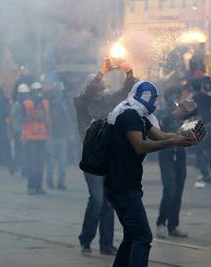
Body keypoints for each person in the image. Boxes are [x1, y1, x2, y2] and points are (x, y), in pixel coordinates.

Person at [105, 81, 198, 267]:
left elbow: (161, 135)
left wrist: (180, 136)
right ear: (145, 96)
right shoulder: (129, 114)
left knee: (132, 235)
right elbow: (140, 146)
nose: (155, 103)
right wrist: (174, 142)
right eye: (153, 98)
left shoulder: (138, 114)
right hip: (122, 185)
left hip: (124, 183)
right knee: (143, 237)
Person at [74, 59, 136, 256]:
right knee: (97, 199)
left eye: (101, 84)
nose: (100, 88)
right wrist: (102, 71)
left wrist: (128, 70)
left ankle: (106, 244)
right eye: (97, 85)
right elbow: (87, 94)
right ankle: (86, 240)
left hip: (109, 156)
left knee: (108, 201)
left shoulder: (109, 102)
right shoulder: (81, 103)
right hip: (91, 156)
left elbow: (129, 89)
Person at [156, 87, 196, 239]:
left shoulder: (184, 113)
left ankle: (173, 225)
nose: (175, 99)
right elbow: (162, 125)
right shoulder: (162, 113)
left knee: (178, 191)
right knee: (169, 190)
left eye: (176, 96)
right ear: (167, 98)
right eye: (172, 96)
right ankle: (161, 223)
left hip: (180, 155)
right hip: (166, 154)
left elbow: (191, 130)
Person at [21, 82, 50, 195]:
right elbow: (21, 119)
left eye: (40, 90)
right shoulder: (26, 104)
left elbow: (48, 119)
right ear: (32, 92)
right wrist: (32, 117)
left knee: (40, 164)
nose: (38, 93)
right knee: (32, 164)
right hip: (30, 138)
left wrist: (48, 130)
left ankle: (38, 186)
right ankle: (31, 186)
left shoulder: (45, 103)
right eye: (36, 91)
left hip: (42, 136)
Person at [43, 79, 71, 190]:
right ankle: (52, 181)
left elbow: (68, 119)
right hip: (53, 135)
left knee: (59, 161)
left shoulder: (62, 104)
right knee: (55, 160)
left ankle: (57, 182)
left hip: (59, 136)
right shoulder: (48, 103)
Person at [191, 78, 211, 180]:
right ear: (201, 86)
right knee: (210, 148)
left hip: (201, 127)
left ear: (191, 87)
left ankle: (206, 174)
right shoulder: (207, 97)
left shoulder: (193, 98)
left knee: (199, 151)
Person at [11, 83, 31, 177]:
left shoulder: (24, 104)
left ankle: (22, 169)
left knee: (23, 152)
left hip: (24, 131)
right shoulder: (17, 105)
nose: (24, 96)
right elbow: (14, 119)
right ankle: (19, 168)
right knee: (21, 151)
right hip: (20, 131)